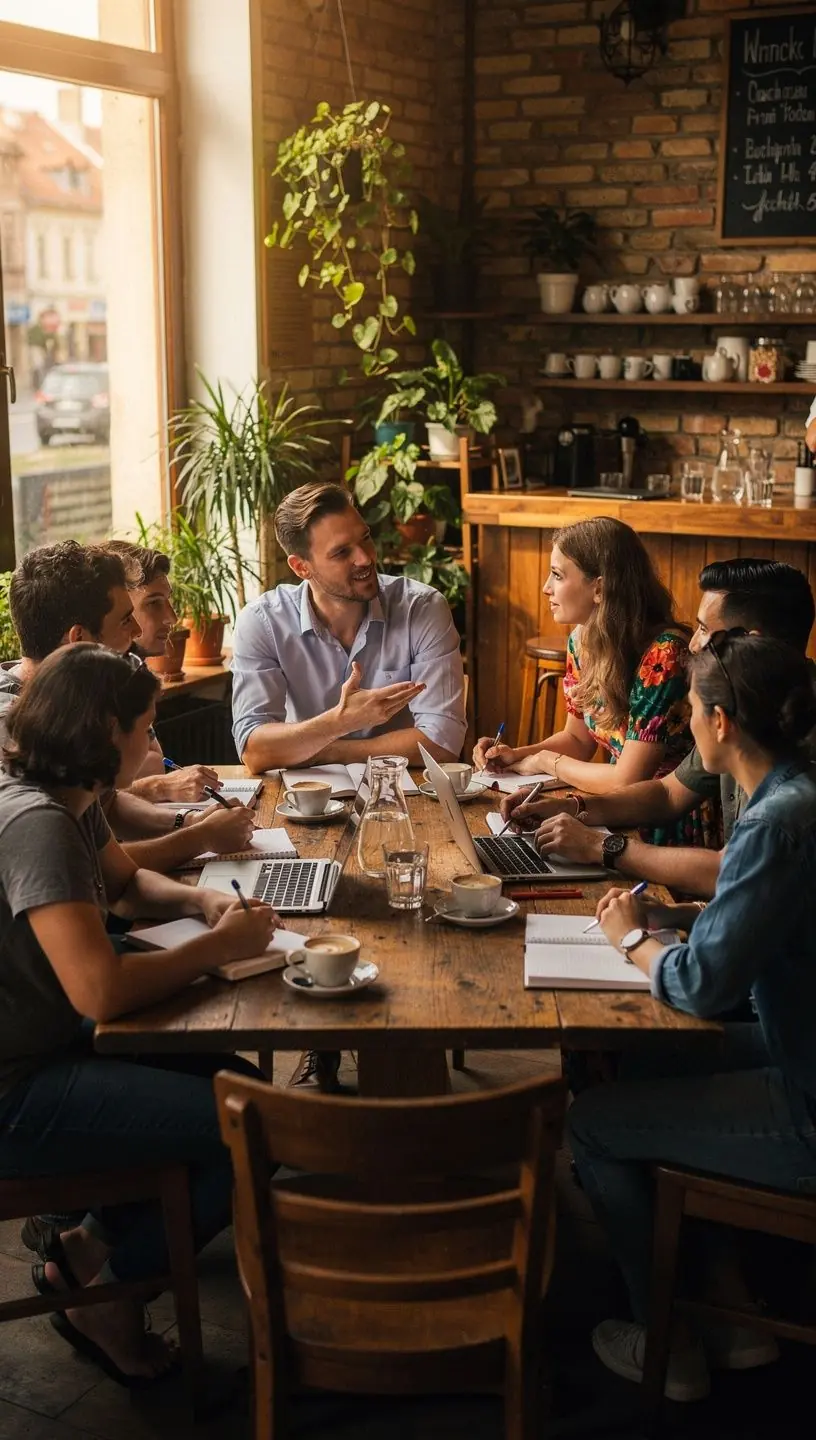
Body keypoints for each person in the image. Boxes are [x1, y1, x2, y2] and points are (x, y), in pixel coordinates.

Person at [0, 645, 277, 1385]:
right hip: (14, 1089)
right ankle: (111, 1303)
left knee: (241, 1086)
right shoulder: (37, 824)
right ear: (104, 729)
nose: (153, 745)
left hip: (45, 1045)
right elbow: (100, 991)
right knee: (249, 1123)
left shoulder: (70, 797)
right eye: (146, 728)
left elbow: (125, 886)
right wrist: (220, 946)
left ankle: (83, 1255)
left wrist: (201, 900)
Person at [568, 632, 816, 1402]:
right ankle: (728, 1310)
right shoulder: (796, 790)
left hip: (805, 1098)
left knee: (591, 1123)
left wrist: (632, 937)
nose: (687, 721)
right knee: (647, 1060)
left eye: (692, 710)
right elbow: (767, 918)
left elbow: (702, 987)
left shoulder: (776, 821)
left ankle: (666, 1344)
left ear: (722, 722)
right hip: (791, 1046)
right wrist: (683, 918)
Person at [500, 559, 816, 897]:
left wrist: (600, 845)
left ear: (751, 644)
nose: (692, 644)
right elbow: (668, 793)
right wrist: (572, 807)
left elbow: (728, 871)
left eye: (705, 630)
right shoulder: (744, 705)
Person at [3, 542, 254, 873]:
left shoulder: (70, 702)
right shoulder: (15, 730)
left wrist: (189, 820)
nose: (136, 632)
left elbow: (106, 806)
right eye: (125, 620)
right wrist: (200, 837)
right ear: (79, 640)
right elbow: (93, 868)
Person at [473, 517, 693, 844]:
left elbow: (627, 779)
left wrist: (548, 761)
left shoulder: (665, 654)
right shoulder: (582, 640)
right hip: (616, 810)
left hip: (668, 819)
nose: (546, 587)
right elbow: (577, 740)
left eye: (557, 575)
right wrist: (515, 755)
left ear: (600, 588)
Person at [231, 482, 466, 772]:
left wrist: (327, 750)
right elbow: (254, 750)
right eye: (342, 553)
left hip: (403, 790)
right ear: (301, 567)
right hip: (304, 792)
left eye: (365, 538)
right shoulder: (263, 622)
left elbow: (443, 743)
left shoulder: (422, 608)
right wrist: (339, 722)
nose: (365, 558)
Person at [103, 539, 223, 803]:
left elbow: (153, 763)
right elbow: (76, 801)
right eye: (154, 603)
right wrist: (160, 787)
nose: (172, 617)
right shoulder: (72, 688)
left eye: (168, 600)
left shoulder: (131, 669)